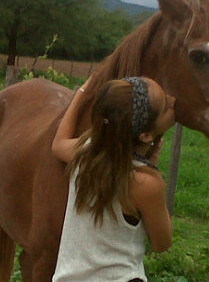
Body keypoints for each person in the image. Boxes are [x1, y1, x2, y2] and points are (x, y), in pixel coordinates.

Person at [51, 76, 176, 282]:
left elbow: (58, 144)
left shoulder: (86, 153)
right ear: (145, 136)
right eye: (165, 106)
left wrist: (82, 92)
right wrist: (150, 165)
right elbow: (162, 243)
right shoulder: (145, 184)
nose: (172, 100)